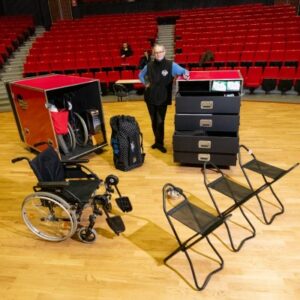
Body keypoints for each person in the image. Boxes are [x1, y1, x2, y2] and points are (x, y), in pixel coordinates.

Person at [139, 44, 189, 153]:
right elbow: (140, 75)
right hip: (150, 97)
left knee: (160, 121)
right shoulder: (149, 65)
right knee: (153, 121)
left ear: (164, 52)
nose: (158, 54)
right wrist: (146, 83)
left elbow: (184, 71)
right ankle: (157, 142)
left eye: (160, 51)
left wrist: (185, 75)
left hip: (163, 97)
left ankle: (160, 143)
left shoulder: (171, 65)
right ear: (153, 54)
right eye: (156, 52)